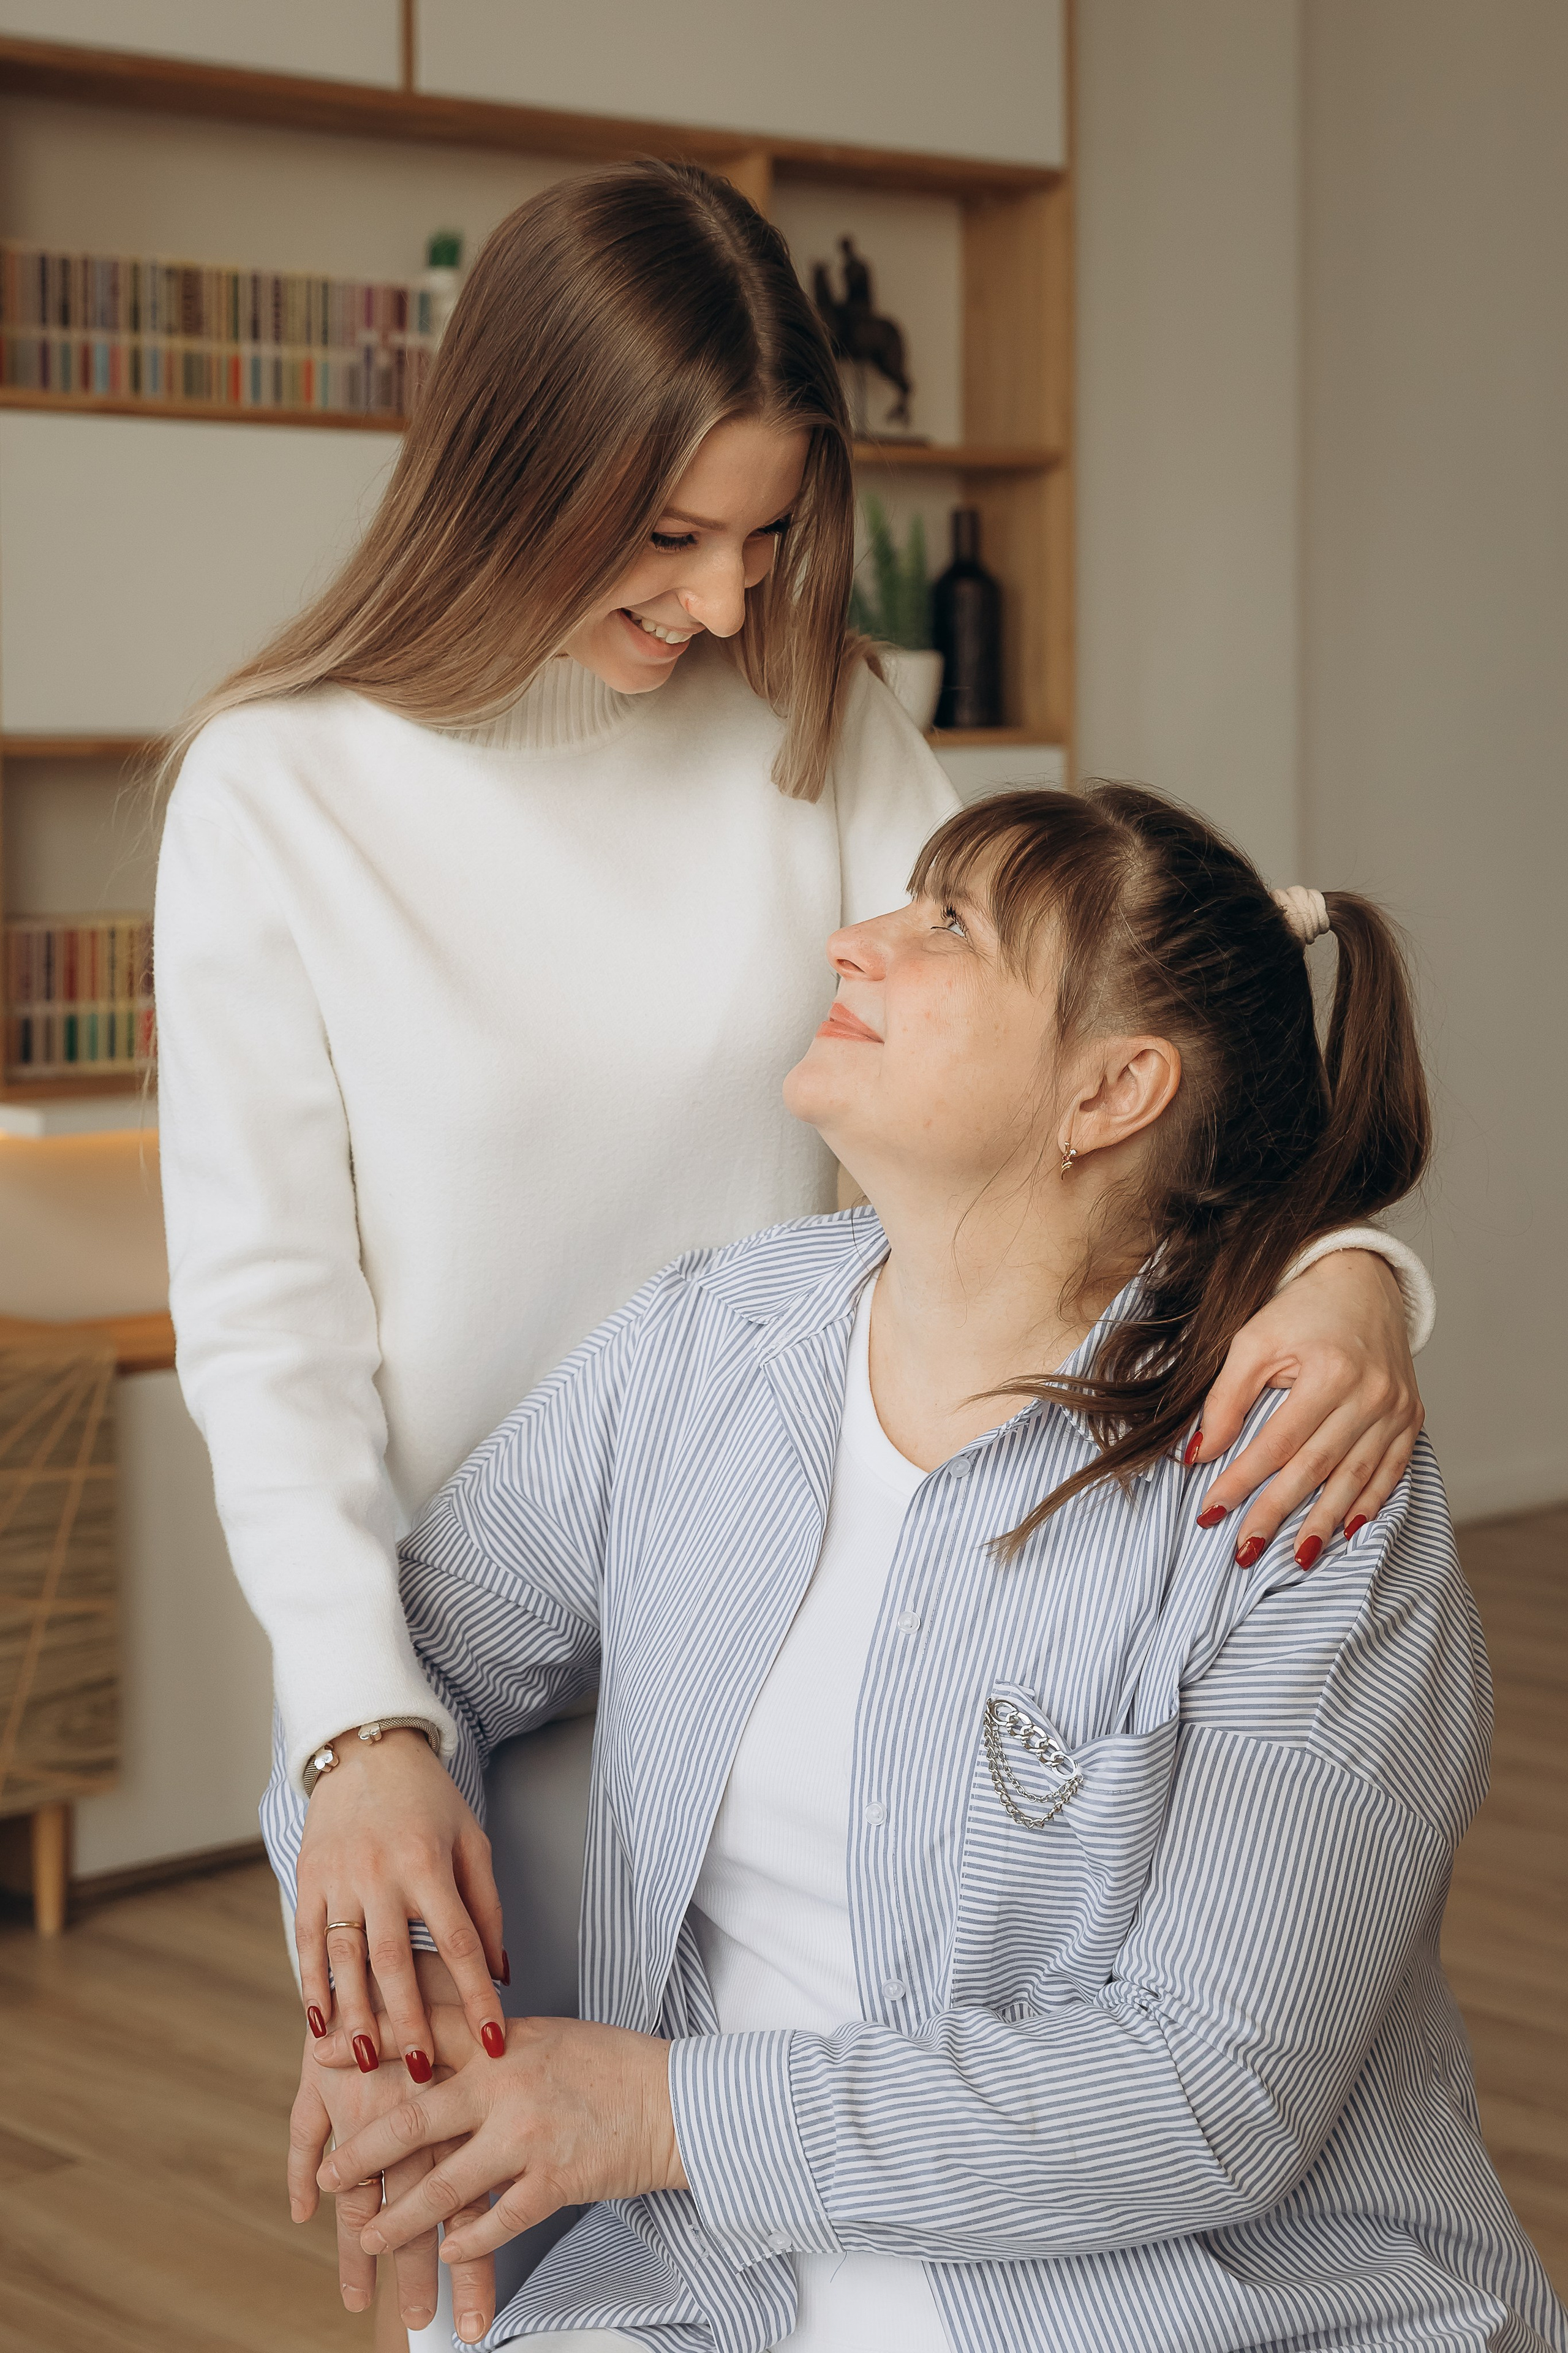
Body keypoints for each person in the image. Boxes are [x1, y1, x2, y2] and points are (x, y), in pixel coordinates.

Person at [155, 161, 1428, 2306]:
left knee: (914, 2213)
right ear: (516, 466)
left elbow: (1107, 1028)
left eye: (766, 537)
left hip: (829, 1642)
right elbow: (274, 1343)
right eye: (667, 537)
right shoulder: (279, 798)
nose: (731, 602)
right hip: (449, 1691)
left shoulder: (810, 715)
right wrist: (360, 1735)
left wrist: (1355, 1273)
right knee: (545, 2258)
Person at [265, 785, 1561, 2353]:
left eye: (948, 925)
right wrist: (380, 1984)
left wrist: (656, 2115)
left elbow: (1214, 2090)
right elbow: (401, 1665)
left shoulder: (1297, 1471)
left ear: (1109, 1091)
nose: (853, 942)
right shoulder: (707, 1344)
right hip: (693, 2298)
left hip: (1185, 2313)